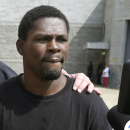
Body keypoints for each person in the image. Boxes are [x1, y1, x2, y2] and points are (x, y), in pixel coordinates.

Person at [0, 5, 111, 129]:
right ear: (21, 47)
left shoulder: (89, 104)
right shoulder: (3, 98)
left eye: (62, 39)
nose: (55, 47)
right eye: (43, 39)